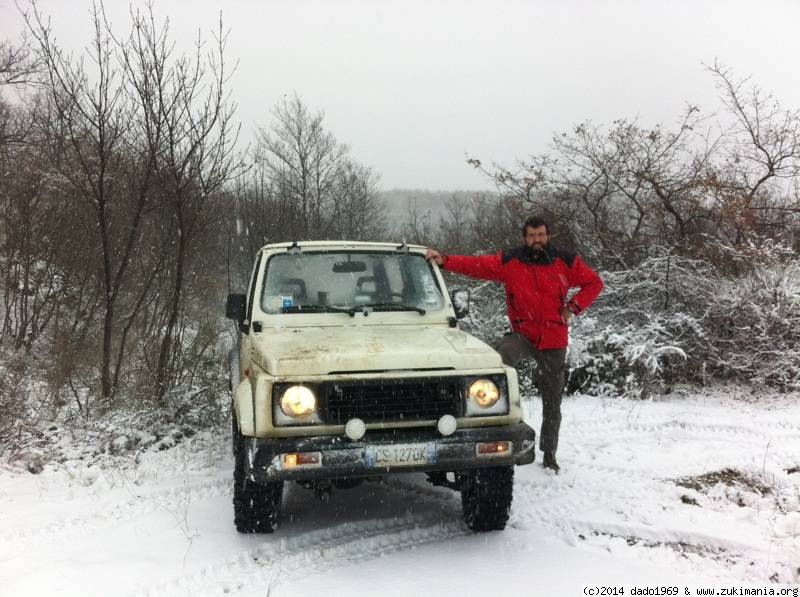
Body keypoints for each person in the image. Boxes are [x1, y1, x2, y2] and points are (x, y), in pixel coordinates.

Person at [426, 216, 603, 473]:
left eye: (541, 235)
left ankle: (550, 453)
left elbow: (594, 282)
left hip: (553, 338)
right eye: (531, 235)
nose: (536, 240)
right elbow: (477, 264)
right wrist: (445, 260)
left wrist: (573, 307)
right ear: (525, 237)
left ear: (548, 236)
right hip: (523, 334)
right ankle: (494, 415)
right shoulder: (511, 261)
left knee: (552, 399)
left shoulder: (564, 261)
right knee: (497, 356)